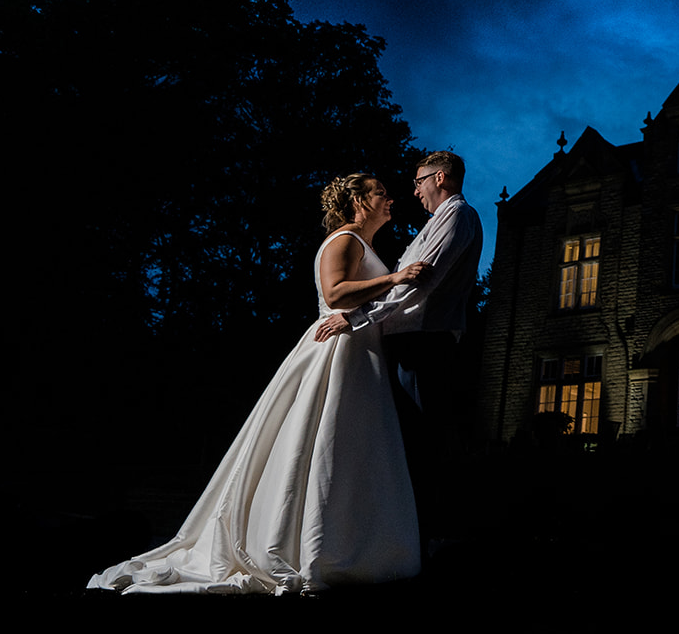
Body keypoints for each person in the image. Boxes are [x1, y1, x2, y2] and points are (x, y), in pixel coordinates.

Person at [88, 173, 427, 594]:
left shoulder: (366, 245)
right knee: (316, 443)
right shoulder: (345, 239)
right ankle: (301, 546)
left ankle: (346, 544)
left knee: (349, 448)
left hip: (360, 353)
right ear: (358, 201)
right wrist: (393, 279)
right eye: (380, 193)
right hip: (336, 350)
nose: (390, 199)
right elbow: (336, 293)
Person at [314, 150, 482, 547]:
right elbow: (400, 280)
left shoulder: (456, 215)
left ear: (439, 178)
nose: (414, 190)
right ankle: (404, 534)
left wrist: (356, 318)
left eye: (419, 180)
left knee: (422, 444)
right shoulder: (435, 222)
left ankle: (424, 537)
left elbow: (417, 285)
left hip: (423, 345)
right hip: (405, 345)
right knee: (406, 443)